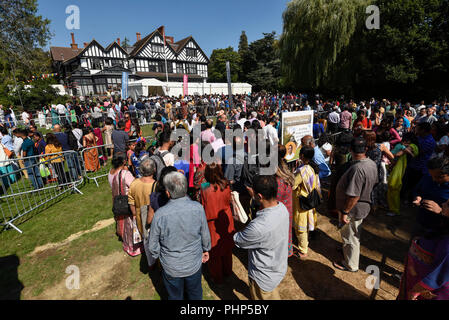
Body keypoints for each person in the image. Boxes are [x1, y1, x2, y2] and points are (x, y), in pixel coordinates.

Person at [148, 172, 211, 300]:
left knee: (175, 296)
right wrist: (206, 249)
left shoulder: (160, 215)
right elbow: (205, 233)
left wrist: (159, 256)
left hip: (171, 266)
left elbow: (152, 245)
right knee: (195, 294)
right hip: (193, 263)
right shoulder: (197, 208)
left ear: (168, 193)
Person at [234, 174, 289, 300]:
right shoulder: (282, 208)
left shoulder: (258, 226)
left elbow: (238, 240)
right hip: (278, 267)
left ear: (259, 196)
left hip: (263, 277)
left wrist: (238, 222)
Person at [333, 137, 378, 272]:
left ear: (350, 150)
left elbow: (354, 195)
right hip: (361, 207)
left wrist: (346, 212)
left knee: (350, 237)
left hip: (353, 209)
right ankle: (347, 252)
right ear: (365, 149)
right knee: (353, 234)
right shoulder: (371, 163)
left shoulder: (357, 169)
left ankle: (351, 264)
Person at [398, 199, 449, 300]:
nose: (442, 204)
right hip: (414, 281)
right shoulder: (444, 224)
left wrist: (415, 292)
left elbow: (438, 274)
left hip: (426, 292)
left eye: (448, 204)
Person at [200, 163, 235, 285]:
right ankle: (228, 271)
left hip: (211, 222)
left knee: (214, 253)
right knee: (226, 249)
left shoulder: (204, 188)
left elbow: (203, 205)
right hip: (225, 219)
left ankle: (217, 277)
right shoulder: (225, 185)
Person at [292, 146, 321, 258]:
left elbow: (293, 185)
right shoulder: (312, 167)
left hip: (301, 201)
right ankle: (305, 244)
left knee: (301, 227)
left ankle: (303, 250)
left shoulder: (302, 170)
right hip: (309, 199)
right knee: (306, 224)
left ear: (302, 156)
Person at [108, 153, 139, 254]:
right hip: (128, 203)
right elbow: (135, 186)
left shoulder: (112, 173)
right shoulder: (125, 174)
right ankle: (134, 247)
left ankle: (127, 245)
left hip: (119, 202)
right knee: (130, 225)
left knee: (125, 225)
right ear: (124, 161)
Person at [411, 157, 449, 238]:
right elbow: (417, 189)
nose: (434, 179)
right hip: (420, 223)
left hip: (440, 234)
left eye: (439, 177)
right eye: (432, 176)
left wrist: (441, 211)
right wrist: (417, 197)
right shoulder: (428, 177)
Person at [276, 144, 295, 258]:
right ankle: (287, 250)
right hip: (287, 208)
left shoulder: (279, 180)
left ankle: (281, 254)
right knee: (286, 231)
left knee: (280, 234)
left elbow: (275, 199)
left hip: (280, 210)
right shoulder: (287, 170)